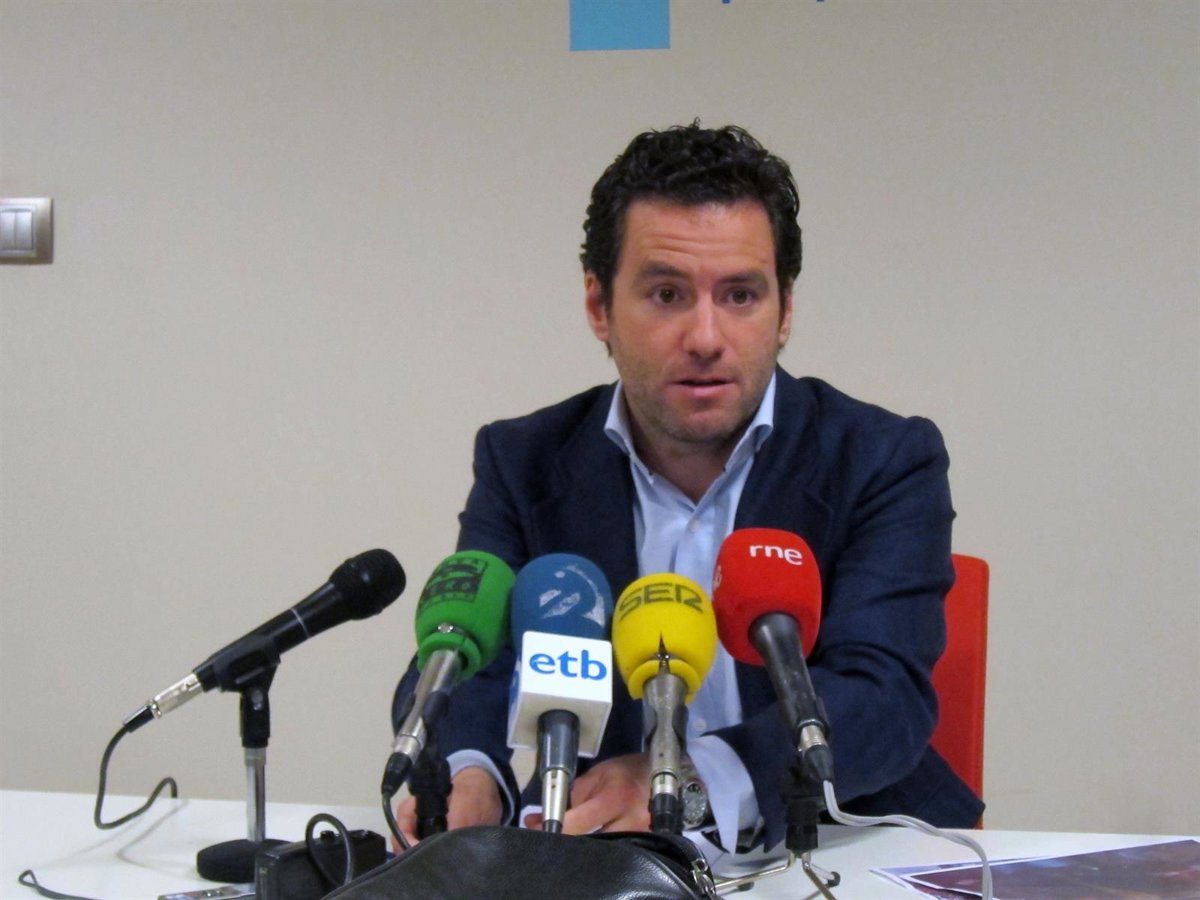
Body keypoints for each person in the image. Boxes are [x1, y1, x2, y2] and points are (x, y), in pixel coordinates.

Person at [392, 123, 984, 853]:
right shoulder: (525, 461)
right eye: (667, 293)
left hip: (839, 841)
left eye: (740, 295)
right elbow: (466, 658)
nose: (706, 337)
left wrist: (690, 778)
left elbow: (882, 697)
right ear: (599, 306)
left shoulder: (881, 458)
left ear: (785, 311)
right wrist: (467, 773)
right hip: (608, 858)